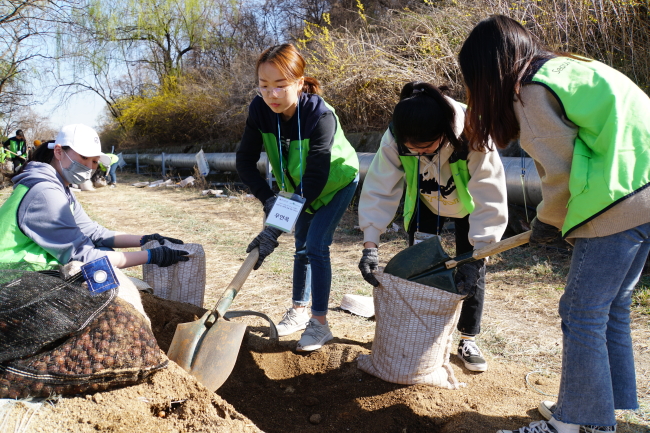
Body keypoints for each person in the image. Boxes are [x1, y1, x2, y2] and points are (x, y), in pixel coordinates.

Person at [459, 15, 650, 433]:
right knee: (609, 306)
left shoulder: (531, 93)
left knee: (580, 311)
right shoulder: (572, 67)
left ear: (487, 72)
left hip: (617, 203)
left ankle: (577, 421)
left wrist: (548, 221)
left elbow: (560, 175)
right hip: (643, 192)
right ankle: (599, 405)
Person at [357, 81, 507, 372]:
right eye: (409, 150)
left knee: (471, 272)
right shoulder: (396, 135)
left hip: (469, 206)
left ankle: (468, 339)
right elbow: (379, 187)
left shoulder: (474, 133)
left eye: (424, 148)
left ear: (445, 132)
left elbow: (490, 194)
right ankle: (416, 332)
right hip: (426, 202)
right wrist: (370, 245)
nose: (417, 153)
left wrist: (480, 253)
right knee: (419, 266)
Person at [236, 43, 359, 352]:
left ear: (300, 83)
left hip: (336, 182)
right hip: (298, 188)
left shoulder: (320, 116)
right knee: (301, 248)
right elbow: (244, 161)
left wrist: (273, 229)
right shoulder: (260, 110)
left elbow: (316, 178)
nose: (272, 94)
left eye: (281, 85)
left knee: (316, 245)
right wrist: (268, 201)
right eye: (264, 86)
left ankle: (319, 324)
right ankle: (299, 311)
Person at [0, 123, 190, 271]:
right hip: (11, 276)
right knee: (100, 268)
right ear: (59, 152)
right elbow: (82, 255)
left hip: (26, 271)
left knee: (105, 254)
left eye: (95, 162)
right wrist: (151, 256)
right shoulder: (45, 192)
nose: (90, 167)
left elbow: (93, 232)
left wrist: (145, 239)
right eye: (84, 158)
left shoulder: (59, 187)